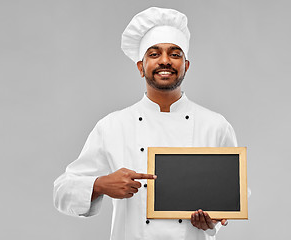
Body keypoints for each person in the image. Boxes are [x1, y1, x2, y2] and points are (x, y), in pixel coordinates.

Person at [53, 7, 237, 240]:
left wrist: (211, 222)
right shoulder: (112, 126)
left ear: (186, 66)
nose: (165, 61)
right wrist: (100, 184)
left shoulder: (216, 126)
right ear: (141, 68)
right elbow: (61, 191)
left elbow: (229, 196)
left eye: (174, 54)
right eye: (154, 54)